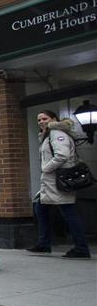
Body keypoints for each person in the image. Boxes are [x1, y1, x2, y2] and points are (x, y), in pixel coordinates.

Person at [27, 110, 91, 259]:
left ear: (54, 119)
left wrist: (45, 168)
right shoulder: (48, 135)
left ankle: (81, 248)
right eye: (39, 120)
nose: (41, 122)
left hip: (58, 180)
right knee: (40, 208)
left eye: (45, 118)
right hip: (51, 182)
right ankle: (44, 244)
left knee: (69, 212)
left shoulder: (56, 133)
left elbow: (62, 156)